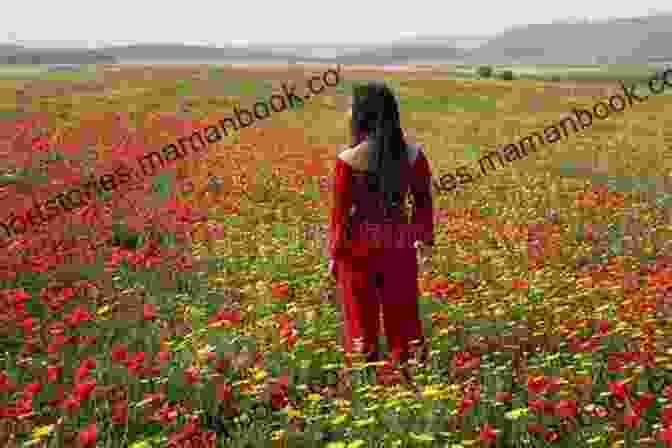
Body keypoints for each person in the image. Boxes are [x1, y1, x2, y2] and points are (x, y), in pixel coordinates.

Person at [328, 82, 434, 370]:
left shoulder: (348, 160)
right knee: (404, 321)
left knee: (361, 324)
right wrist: (422, 239)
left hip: (357, 248)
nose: (348, 112)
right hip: (399, 244)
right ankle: (410, 375)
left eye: (352, 106)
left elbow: (340, 215)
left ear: (363, 114)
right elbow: (423, 201)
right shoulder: (413, 155)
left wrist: (334, 255)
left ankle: (366, 379)